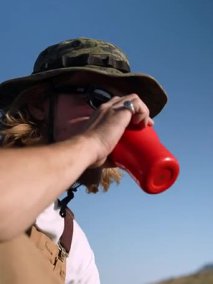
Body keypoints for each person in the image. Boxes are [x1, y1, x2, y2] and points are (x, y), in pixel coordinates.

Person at [0, 37, 167, 283]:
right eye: (100, 99)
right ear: (37, 104)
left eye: (125, 110)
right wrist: (93, 143)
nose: (117, 120)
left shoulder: (73, 243)